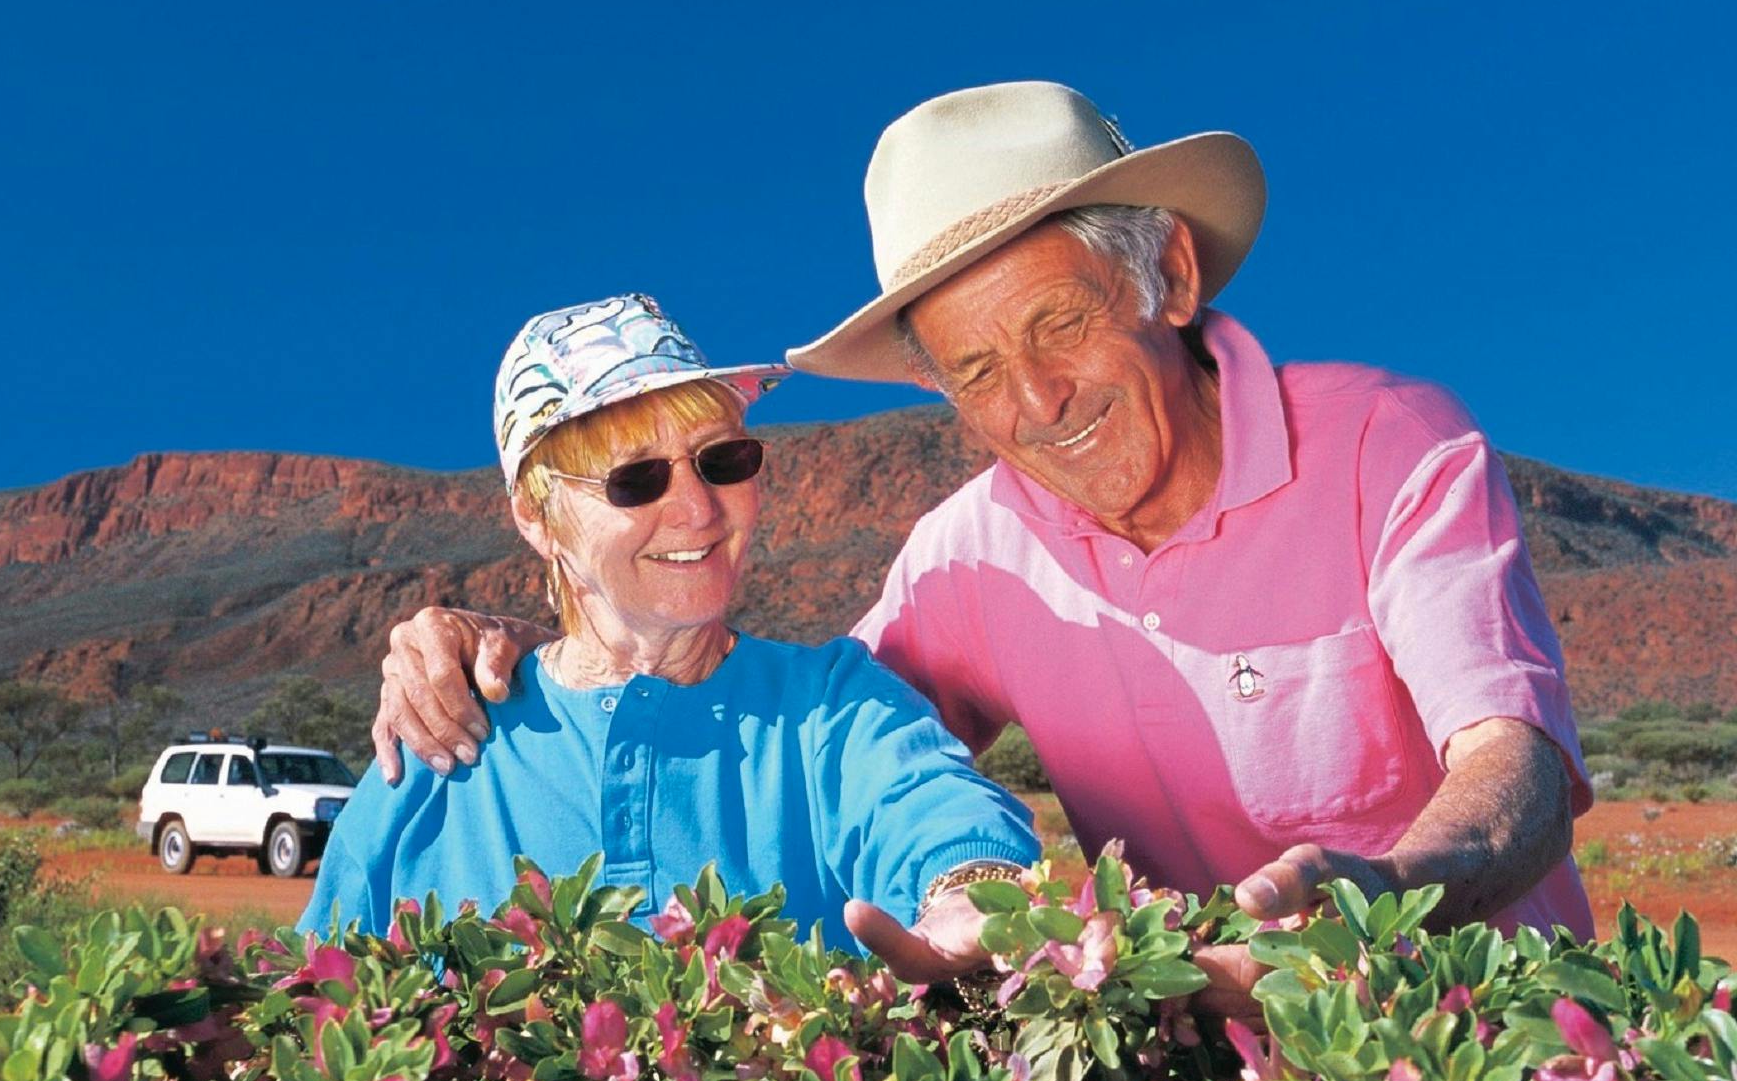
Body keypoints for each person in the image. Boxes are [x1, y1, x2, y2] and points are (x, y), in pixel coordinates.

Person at [369, 85, 1594, 1006]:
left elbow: (1512, 770)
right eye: (974, 370)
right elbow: (781, 721)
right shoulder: (967, 555)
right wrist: (540, 651)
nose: (1036, 402)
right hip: (1201, 1077)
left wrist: (1375, 900)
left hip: (1475, 1037)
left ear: (1165, 272)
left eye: (1057, 322)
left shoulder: (1386, 443)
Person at [299, 293, 1041, 944]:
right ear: (537, 518)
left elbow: (932, 812)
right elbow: (313, 1006)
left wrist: (970, 894)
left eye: (722, 460)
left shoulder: (831, 708)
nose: (696, 510)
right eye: (636, 479)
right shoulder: (441, 745)